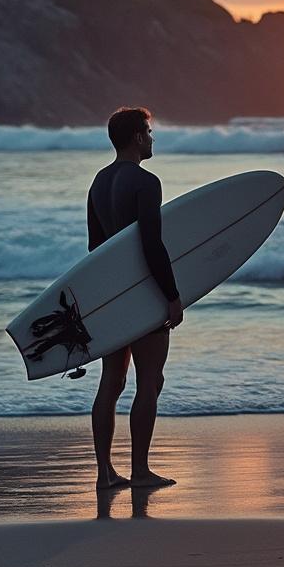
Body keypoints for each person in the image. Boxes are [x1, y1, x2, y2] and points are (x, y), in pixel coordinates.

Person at [87, 107, 184, 489]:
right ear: (137, 137)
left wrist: (101, 299)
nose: (152, 138)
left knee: (111, 382)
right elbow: (151, 244)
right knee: (150, 380)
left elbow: (95, 249)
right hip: (143, 292)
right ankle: (141, 471)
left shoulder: (98, 182)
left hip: (113, 293)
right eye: (149, 131)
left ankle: (105, 473)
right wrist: (172, 296)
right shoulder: (146, 182)